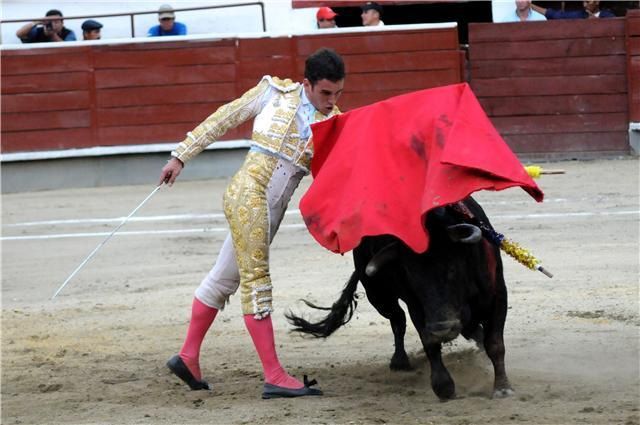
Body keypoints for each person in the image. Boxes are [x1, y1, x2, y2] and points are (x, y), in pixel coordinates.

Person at [159, 48, 345, 399]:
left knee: (223, 279)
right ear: (306, 84)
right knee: (256, 280)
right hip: (249, 194)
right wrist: (180, 156)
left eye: (338, 93)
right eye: (325, 93)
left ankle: (187, 358)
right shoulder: (273, 92)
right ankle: (274, 375)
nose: (331, 101)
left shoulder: (335, 121)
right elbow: (225, 117)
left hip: (272, 209)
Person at [532, 1, 615, 19]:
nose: (584, 5)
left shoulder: (608, 16)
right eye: (583, 2)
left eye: (587, 2)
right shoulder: (580, 14)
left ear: (597, 2)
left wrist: (597, 22)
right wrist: (530, 5)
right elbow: (554, 14)